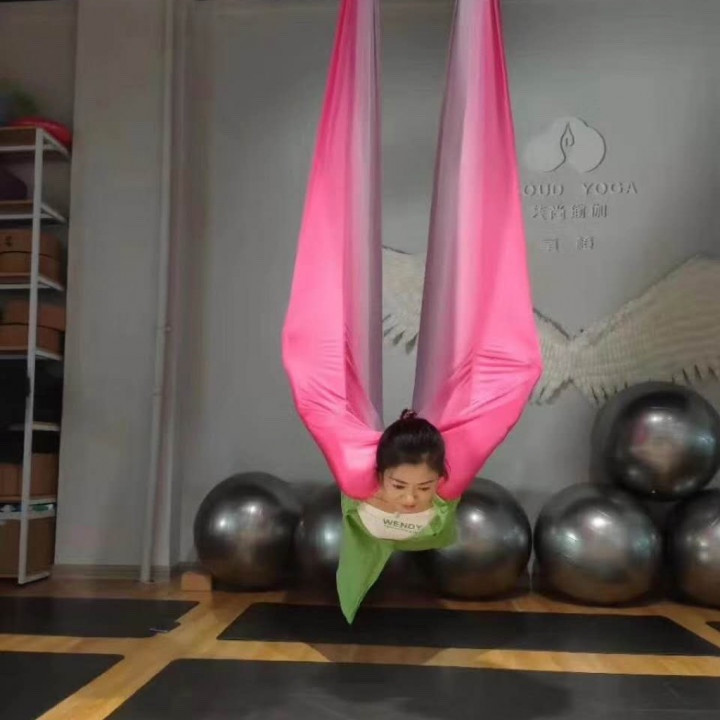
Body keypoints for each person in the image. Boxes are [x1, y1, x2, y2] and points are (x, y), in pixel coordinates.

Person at [282, 0, 542, 623]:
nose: (410, 499)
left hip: (365, 428)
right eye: (411, 489)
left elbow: (314, 385)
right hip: (434, 429)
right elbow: (515, 374)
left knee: (319, 341)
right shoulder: (445, 472)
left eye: (413, 488)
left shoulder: (357, 470)